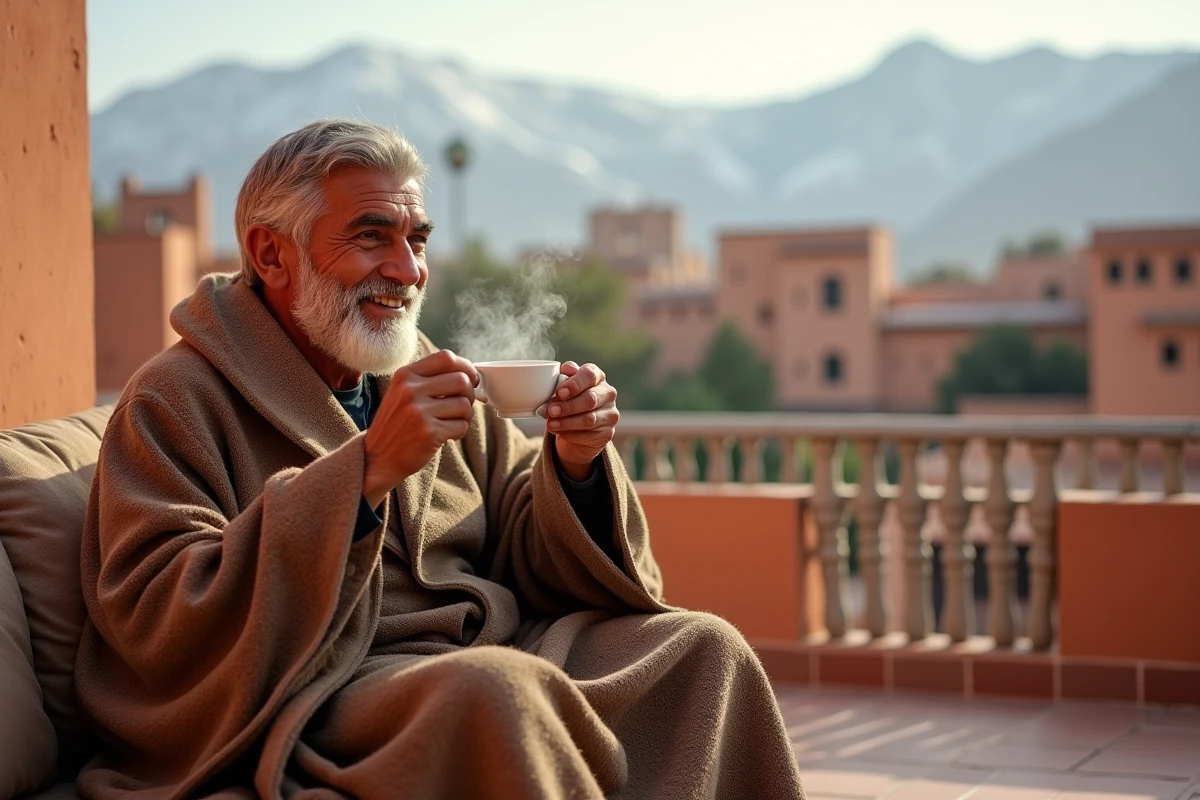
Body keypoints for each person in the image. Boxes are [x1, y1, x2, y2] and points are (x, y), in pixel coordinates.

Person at [75, 119, 806, 799]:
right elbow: (158, 617)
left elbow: (520, 519)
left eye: (417, 239)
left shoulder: (417, 368)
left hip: (499, 648)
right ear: (272, 254)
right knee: (497, 690)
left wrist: (575, 463)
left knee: (705, 652)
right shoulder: (176, 398)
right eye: (372, 237)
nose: (407, 270)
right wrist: (365, 472)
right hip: (325, 688)